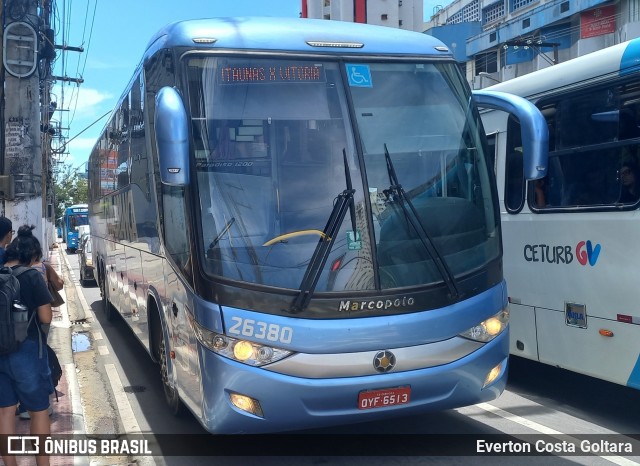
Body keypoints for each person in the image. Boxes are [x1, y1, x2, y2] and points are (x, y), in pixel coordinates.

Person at [0, 225, 53, 466]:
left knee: (4, 411)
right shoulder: (32, 276)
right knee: (38, 411)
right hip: (27, 352)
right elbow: (46, 317)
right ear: (31, 255)